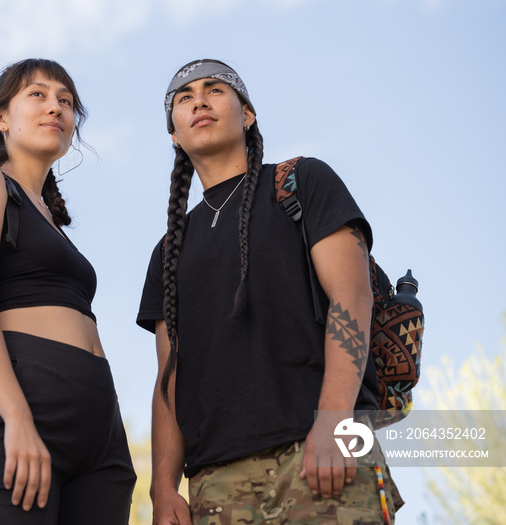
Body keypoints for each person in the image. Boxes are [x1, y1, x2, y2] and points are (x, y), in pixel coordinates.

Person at [137, 59, 403, 524]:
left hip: (322, 448)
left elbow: (352, 299)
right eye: (184, 97)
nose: (199, 99)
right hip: (214, 483)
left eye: (215, 89)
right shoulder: (167, 252)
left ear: (247, 114)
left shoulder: (303, 182)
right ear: (174, 135)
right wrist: (163, 489)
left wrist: (335, 420)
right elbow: (169, 378)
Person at [0, 58, 136, 524]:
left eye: (66, 101)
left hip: (100, 431)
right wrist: (17, 418)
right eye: (38, 95)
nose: (56, 107)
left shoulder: (50, 219)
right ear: (0, 118)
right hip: (19, 412)